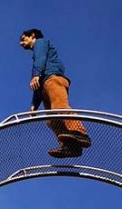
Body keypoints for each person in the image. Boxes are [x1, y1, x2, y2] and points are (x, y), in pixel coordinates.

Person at [19, 29, 92, 158]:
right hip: (44, 87)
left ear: (32, 36)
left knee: (60, 107)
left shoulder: (41, 43)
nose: (21, 43)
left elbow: (40, 59)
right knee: (52, 120)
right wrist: (34, 105)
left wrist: (36, 75)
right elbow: (38, 83)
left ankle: (80, 133)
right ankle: (69, 146)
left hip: (53, 79)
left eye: (23, 38)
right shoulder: (37, 60)